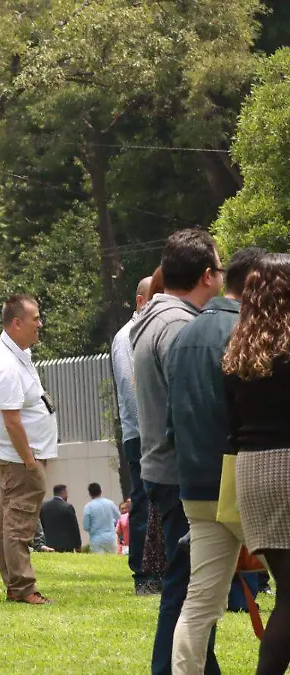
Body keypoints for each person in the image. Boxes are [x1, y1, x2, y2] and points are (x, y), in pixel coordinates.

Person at [166, 247, 264, 674]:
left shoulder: (183, 335)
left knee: (199, 604)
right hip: (241, 478)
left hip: (195, 483)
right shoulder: (248, 331)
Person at [131, 228, 225, 675]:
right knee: (187, 589)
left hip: (164, 468)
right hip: (179, 473)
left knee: (190, 587)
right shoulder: (179, 326)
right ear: (207, 275)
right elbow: (188, 408)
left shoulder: (155, 316)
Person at [222, 252, 290, 675]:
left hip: (253, 472)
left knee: (286, 589)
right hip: (287, 465)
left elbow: (232, 423)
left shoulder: (237, 353)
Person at [0, 294, 57, 604]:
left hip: (22, 456)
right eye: (35, 318)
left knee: (10, 520)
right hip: (20, 458)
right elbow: (12, 421)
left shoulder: (16, 354)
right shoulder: (4, 364)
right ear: (16, 323)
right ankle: (23, 587)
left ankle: (16, 584)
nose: (40, 323)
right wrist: (29, 460)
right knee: (20, 522)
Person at [111, 275, 159, 594]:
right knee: (142, 500)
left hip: (156, 431)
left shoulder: (155, 330)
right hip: (142, 434)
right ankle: (143, 574)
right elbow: (130, 388)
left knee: (158, 501)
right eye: (156, 296)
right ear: (141, 301)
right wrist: (151, 429)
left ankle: (158, 569)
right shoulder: (127, 336)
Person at [39, 485, 81, 553]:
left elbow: (41, 525)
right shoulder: (68, 507)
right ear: (63, 492)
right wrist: (77, 545)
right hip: (66, 546)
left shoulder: (44, 507)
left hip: (49, 544)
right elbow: (74, 528)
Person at [83, 483, 122, 554]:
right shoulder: (110, 503)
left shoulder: (88, 507)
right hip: (111, 537)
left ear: (90, 493)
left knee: (99, 562)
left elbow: (86, 527)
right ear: (101, 491)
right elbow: (119, 517)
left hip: (96, 539)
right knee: (112, 560)